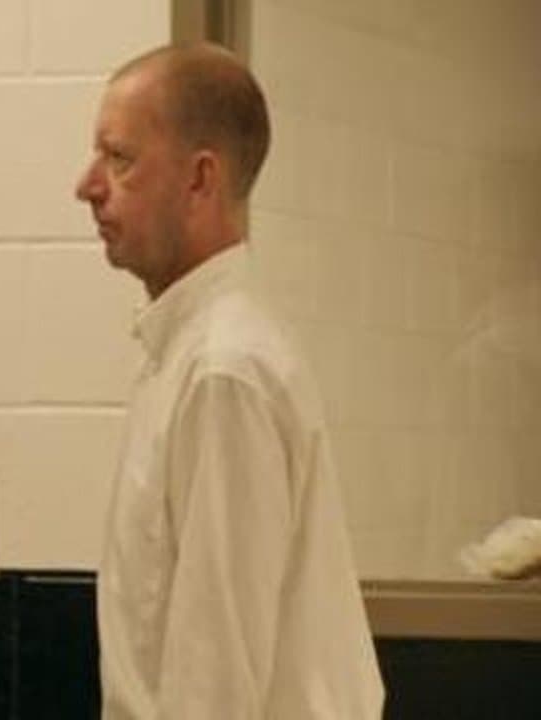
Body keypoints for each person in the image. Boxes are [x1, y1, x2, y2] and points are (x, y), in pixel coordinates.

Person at [74, 44, 383, 718]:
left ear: (199, 179)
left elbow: (213, 685)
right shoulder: (188, 353)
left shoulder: (225, 371)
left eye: (119, 158)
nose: (87, 185)